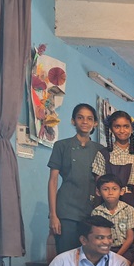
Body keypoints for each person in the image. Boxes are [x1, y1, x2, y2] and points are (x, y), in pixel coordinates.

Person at [47, 103, 105, 254]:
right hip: (66, 211)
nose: (85, 122)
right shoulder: (61, 146)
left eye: (89, 118)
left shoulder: (100, 150)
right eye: (80, 118)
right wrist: (53, 215)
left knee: (89, 257)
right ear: (73, 121)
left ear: (95, 123)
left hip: (91, 211)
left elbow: (102, 183)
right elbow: (53, 181)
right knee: (67, 257)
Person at [92, 110, 134, 210]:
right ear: (111, 129)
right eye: (117, 126)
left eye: (126, 126)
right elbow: (100, 184)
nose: (122, 130)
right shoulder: (103, 154)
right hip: (109, 203)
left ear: (131, 128)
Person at [91, 174, 134, 266]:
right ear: (98, 192)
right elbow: (97, 237)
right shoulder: (97, 212)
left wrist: (116, 256)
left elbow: (130, 238)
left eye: (114, 189)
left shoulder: (129, 210)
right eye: (105, 189)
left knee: (122, 265)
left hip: (126, 249)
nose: (110, 192)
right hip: (105, 249)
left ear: (121, 191)